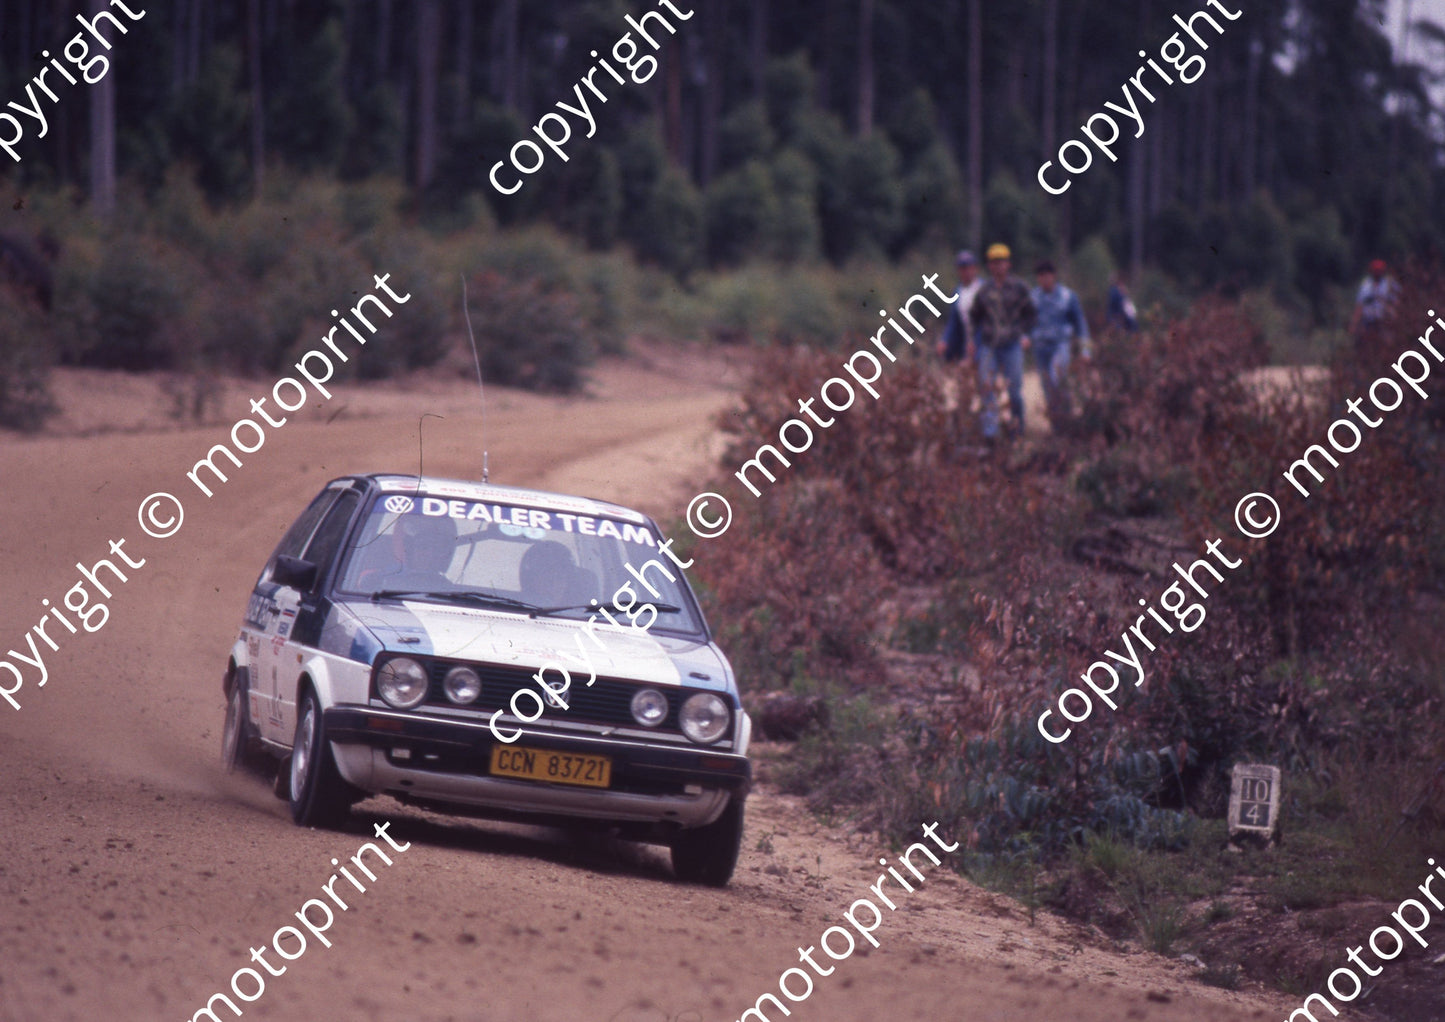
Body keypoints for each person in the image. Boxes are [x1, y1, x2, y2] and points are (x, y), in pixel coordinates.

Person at [968, 243, 1036, 440]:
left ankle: (1017, 430)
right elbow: (974, 316)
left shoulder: (1020, 288)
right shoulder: (984, 290)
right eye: (994, 262)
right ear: (989, 266)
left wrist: (1026, 335)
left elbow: (1031, 315)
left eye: (1002, 262)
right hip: (989, 344)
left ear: (1008, 264)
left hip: (1012, 344)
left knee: (1014, 389)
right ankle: (990, 433)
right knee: (986, 387)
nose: (998, 266)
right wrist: (973, 340)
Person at [1030, 259, 1091, 429]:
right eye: (1041, 275)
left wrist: (1086, 351)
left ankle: (1067, 418)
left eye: (1047, 275)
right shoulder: (1032, 298)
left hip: (1060, 345)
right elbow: (1024, 322)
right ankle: (1056, 425)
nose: (1044, 279)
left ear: (1054, 275)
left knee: (1057, 378)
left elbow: (1081, 324)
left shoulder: (1067, 296)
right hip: (1040, 347)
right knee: (1047, 386)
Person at [938, 250, 982, 363]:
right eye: (962, 268)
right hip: (966, 338)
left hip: (984, 340)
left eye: (969, 267)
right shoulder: (958, 292)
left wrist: (976, 342)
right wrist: (945, 340)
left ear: (975, 268)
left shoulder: (983, 289)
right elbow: (953, 320)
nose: (966, 272)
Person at [1349, 259, 1399, 348]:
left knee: (1387, 345)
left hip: (1384, 321)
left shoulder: (1390, 283)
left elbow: (1397, 302)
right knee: (1362, 344)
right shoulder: (1366, 284)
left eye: (1379, 270)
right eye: (1375, 270)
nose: (1377, 272)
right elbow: (1360, 305)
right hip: (1368, 322)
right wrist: (1354, 323)